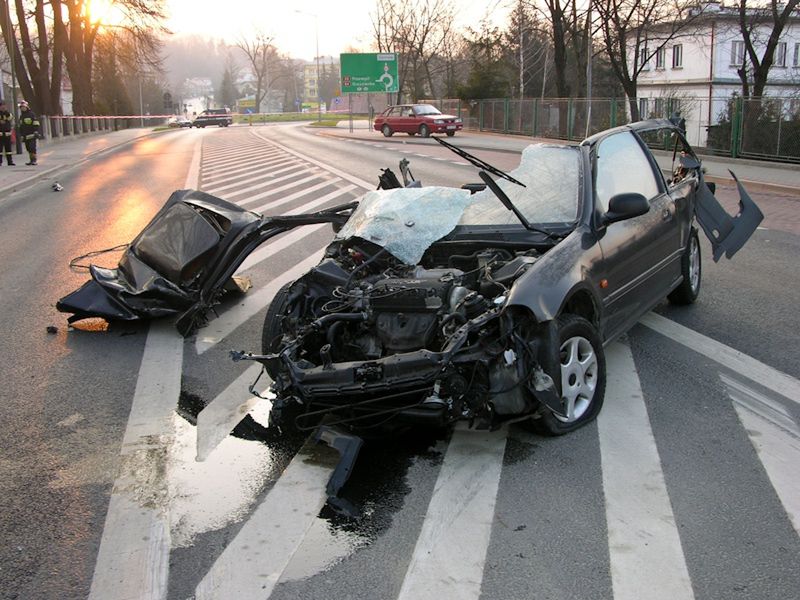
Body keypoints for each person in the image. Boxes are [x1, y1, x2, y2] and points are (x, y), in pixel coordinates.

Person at [18, 100, 40, 165]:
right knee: (28, 148)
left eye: (23, 107)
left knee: (32, 147)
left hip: (32, 134)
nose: (22, 108)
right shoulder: (21, 116)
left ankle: (34, 160)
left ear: (27, 107)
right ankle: (31, 160)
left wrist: (36, 131)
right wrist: (21, 135)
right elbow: (21, 126)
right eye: (21, 107)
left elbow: (36, 123)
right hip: (25, 135)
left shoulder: (31, 114)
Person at [0, 100, 15, 166]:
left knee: (8, 149)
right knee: (0, 149)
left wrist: (6, 113)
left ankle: (10, 161)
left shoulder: (8, 114)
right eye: (1, 106)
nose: (3, 107)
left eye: (4, 106)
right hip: (0, 134)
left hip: (7, 134)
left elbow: (10, 118)